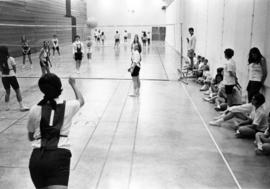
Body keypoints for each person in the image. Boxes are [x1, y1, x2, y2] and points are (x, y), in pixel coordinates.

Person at [27, 73, 84, 189]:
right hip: (58, 156)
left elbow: (30, 137)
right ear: (59, 87)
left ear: (42, 89)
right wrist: (73, 84)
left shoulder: (34, 109)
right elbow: (81, 100)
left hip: (37, 158)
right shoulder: (69, 105)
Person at [0, 46, 29, 111]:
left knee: (7, 92)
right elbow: (14, 68)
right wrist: (13, 74)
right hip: (12, 76)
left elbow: (1, 69)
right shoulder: (11, 58)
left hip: (4, 78)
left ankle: (7, 107)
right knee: (17, 91)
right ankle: (21, 107)